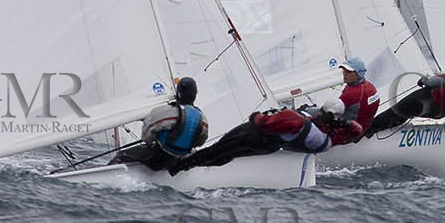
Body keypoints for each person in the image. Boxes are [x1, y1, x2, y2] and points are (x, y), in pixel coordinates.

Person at [168, 98, 359, 174]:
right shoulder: (326, 141)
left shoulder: (297, 120)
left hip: (253, 134)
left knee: (216, 149)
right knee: (225, 156)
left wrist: (257, 115)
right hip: (268, 147)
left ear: (322, 111)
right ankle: (190, 168)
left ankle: (178, 166)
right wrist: (345, 123)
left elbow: (263, 122)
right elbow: (357, 132)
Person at [116, 76, 207, 171]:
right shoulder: (202, 119)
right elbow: (201, 141)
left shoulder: (167, 112)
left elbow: (146, 135)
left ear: (178, 94)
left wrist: (150, 141)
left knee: (121, 155)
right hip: (179, 160)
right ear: (195, 95)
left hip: (158, 157)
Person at [335, 56, 378, 134]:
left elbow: (331, 111)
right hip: (364, 126)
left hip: (350, 133)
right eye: (344, 71)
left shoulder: (353, 93)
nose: (345, 74)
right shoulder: (370, 86)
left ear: (358, 73)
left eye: (348, 72)